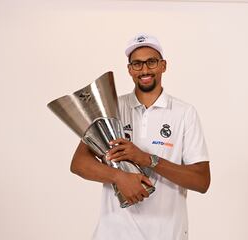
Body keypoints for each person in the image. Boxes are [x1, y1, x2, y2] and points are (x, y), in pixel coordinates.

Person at [70, 33, 211, 240]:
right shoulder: (112, 107)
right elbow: (79, 163)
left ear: (163, 65)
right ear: (129, 70)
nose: (144, 70)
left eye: (151, 62)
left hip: (166, 233)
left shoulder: (184, 112)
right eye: (137, 64)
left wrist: (147, 159)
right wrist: (119, 176)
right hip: (113, 233)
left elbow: (201, 181)